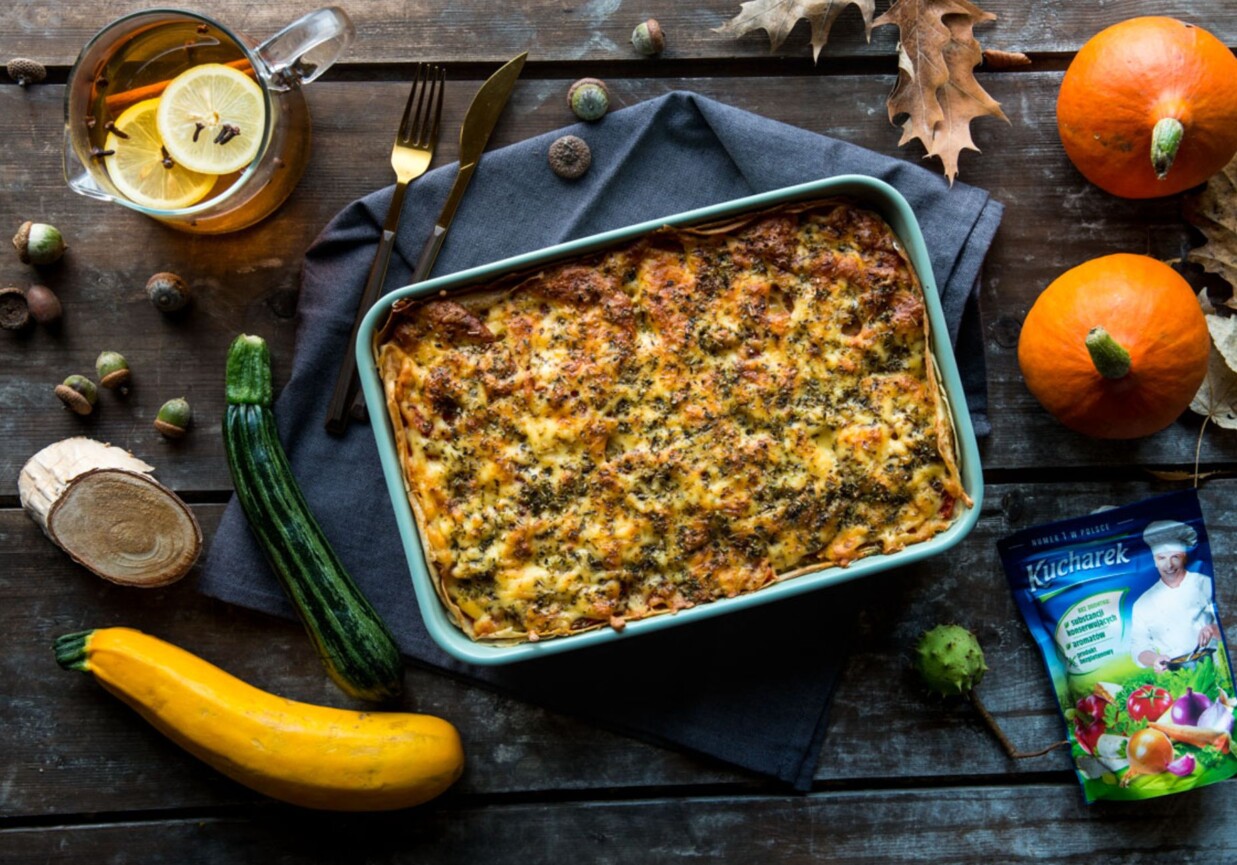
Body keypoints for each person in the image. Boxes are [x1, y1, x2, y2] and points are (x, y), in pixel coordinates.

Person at [1129, 520, 1221, 671]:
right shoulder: (1143, 603)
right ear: (1155, 561)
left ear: (1184, 557)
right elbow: (1138, 645)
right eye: (1162, 558)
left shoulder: (1205, 583)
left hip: (1215, 666)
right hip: (1174, 672)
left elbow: (1228, 622)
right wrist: (1155, 659)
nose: (1169, 565)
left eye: (1175, 557)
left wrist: (1212, 628)